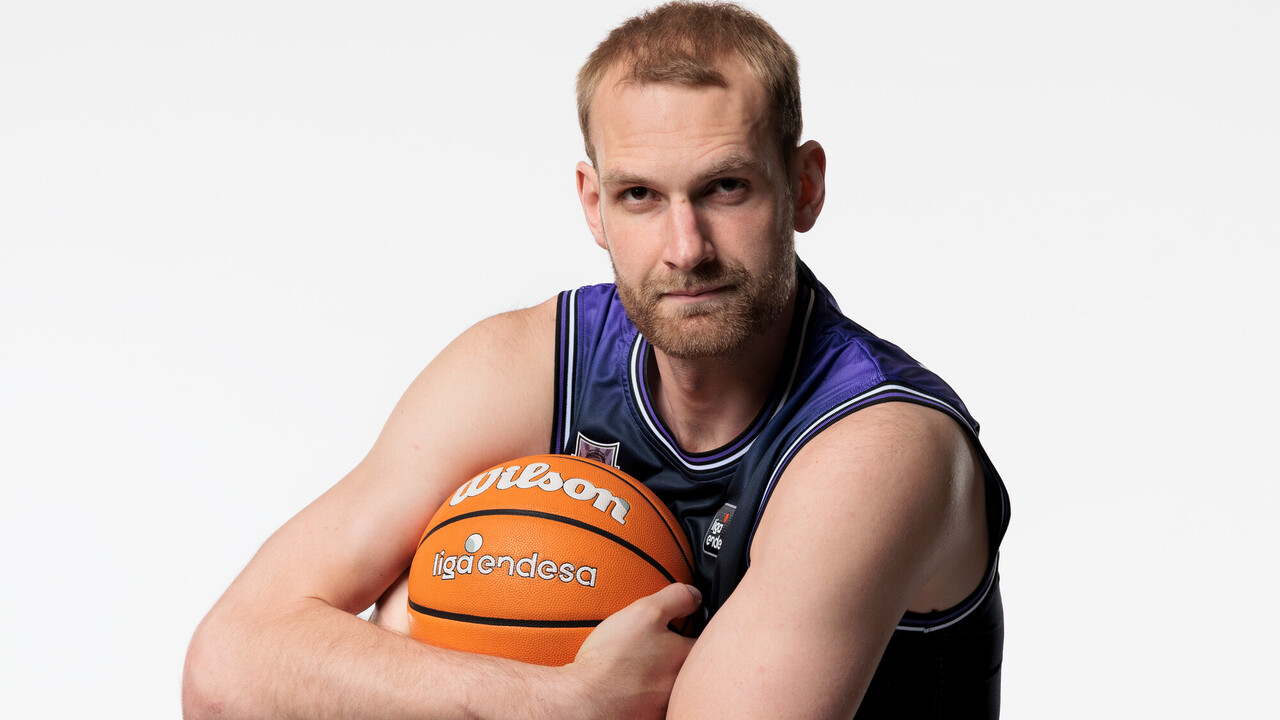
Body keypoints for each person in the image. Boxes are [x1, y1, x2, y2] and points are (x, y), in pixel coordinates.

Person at [183, 2, 1010, 718]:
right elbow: (226, 672)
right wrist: (555, 697)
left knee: (408, 619)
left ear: (803, 185)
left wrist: (406, 672)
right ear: (593, 203)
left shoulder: (878, 447)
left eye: (725, 188)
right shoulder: (532, 364)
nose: (685, 248)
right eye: (640, 195)